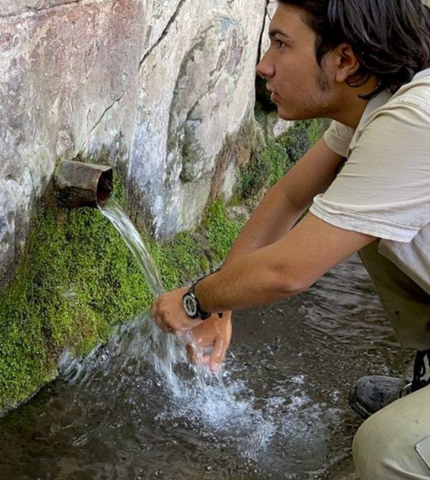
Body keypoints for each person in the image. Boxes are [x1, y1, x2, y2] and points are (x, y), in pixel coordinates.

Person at [149, 0, 430, 478]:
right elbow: (287, 197)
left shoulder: (415, 123)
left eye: (281, 43)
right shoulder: (380, 100)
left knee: (386, 448)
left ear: (344, 60)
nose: (264, 65)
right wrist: (221, 309)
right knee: (350, 212)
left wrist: (195, 300)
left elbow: (287, 272)